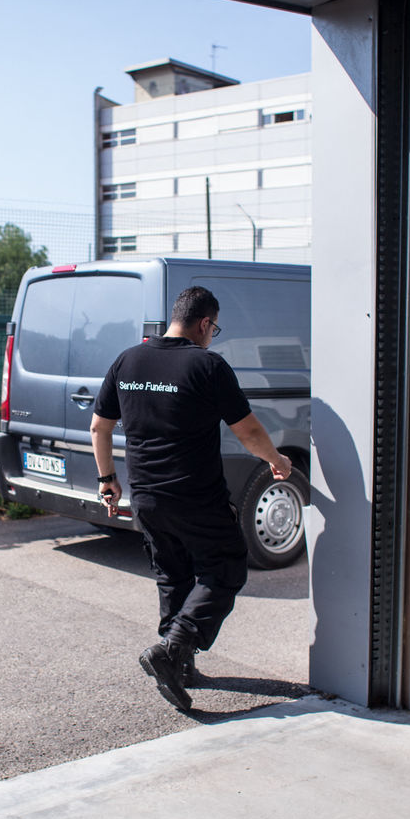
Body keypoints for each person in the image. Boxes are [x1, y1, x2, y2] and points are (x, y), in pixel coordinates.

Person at [90, 286, 292, 711]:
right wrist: (277, 460)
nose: (212, 337)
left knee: (173, 576)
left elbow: (99, 427)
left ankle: (181, 668)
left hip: (146, 496)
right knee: (225, 568)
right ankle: (172, 650)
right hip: (194, 495)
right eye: (214, 330)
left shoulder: (128, 360)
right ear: (204, 323)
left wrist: (108, 480)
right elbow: (248, 431)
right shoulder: (207, 365)